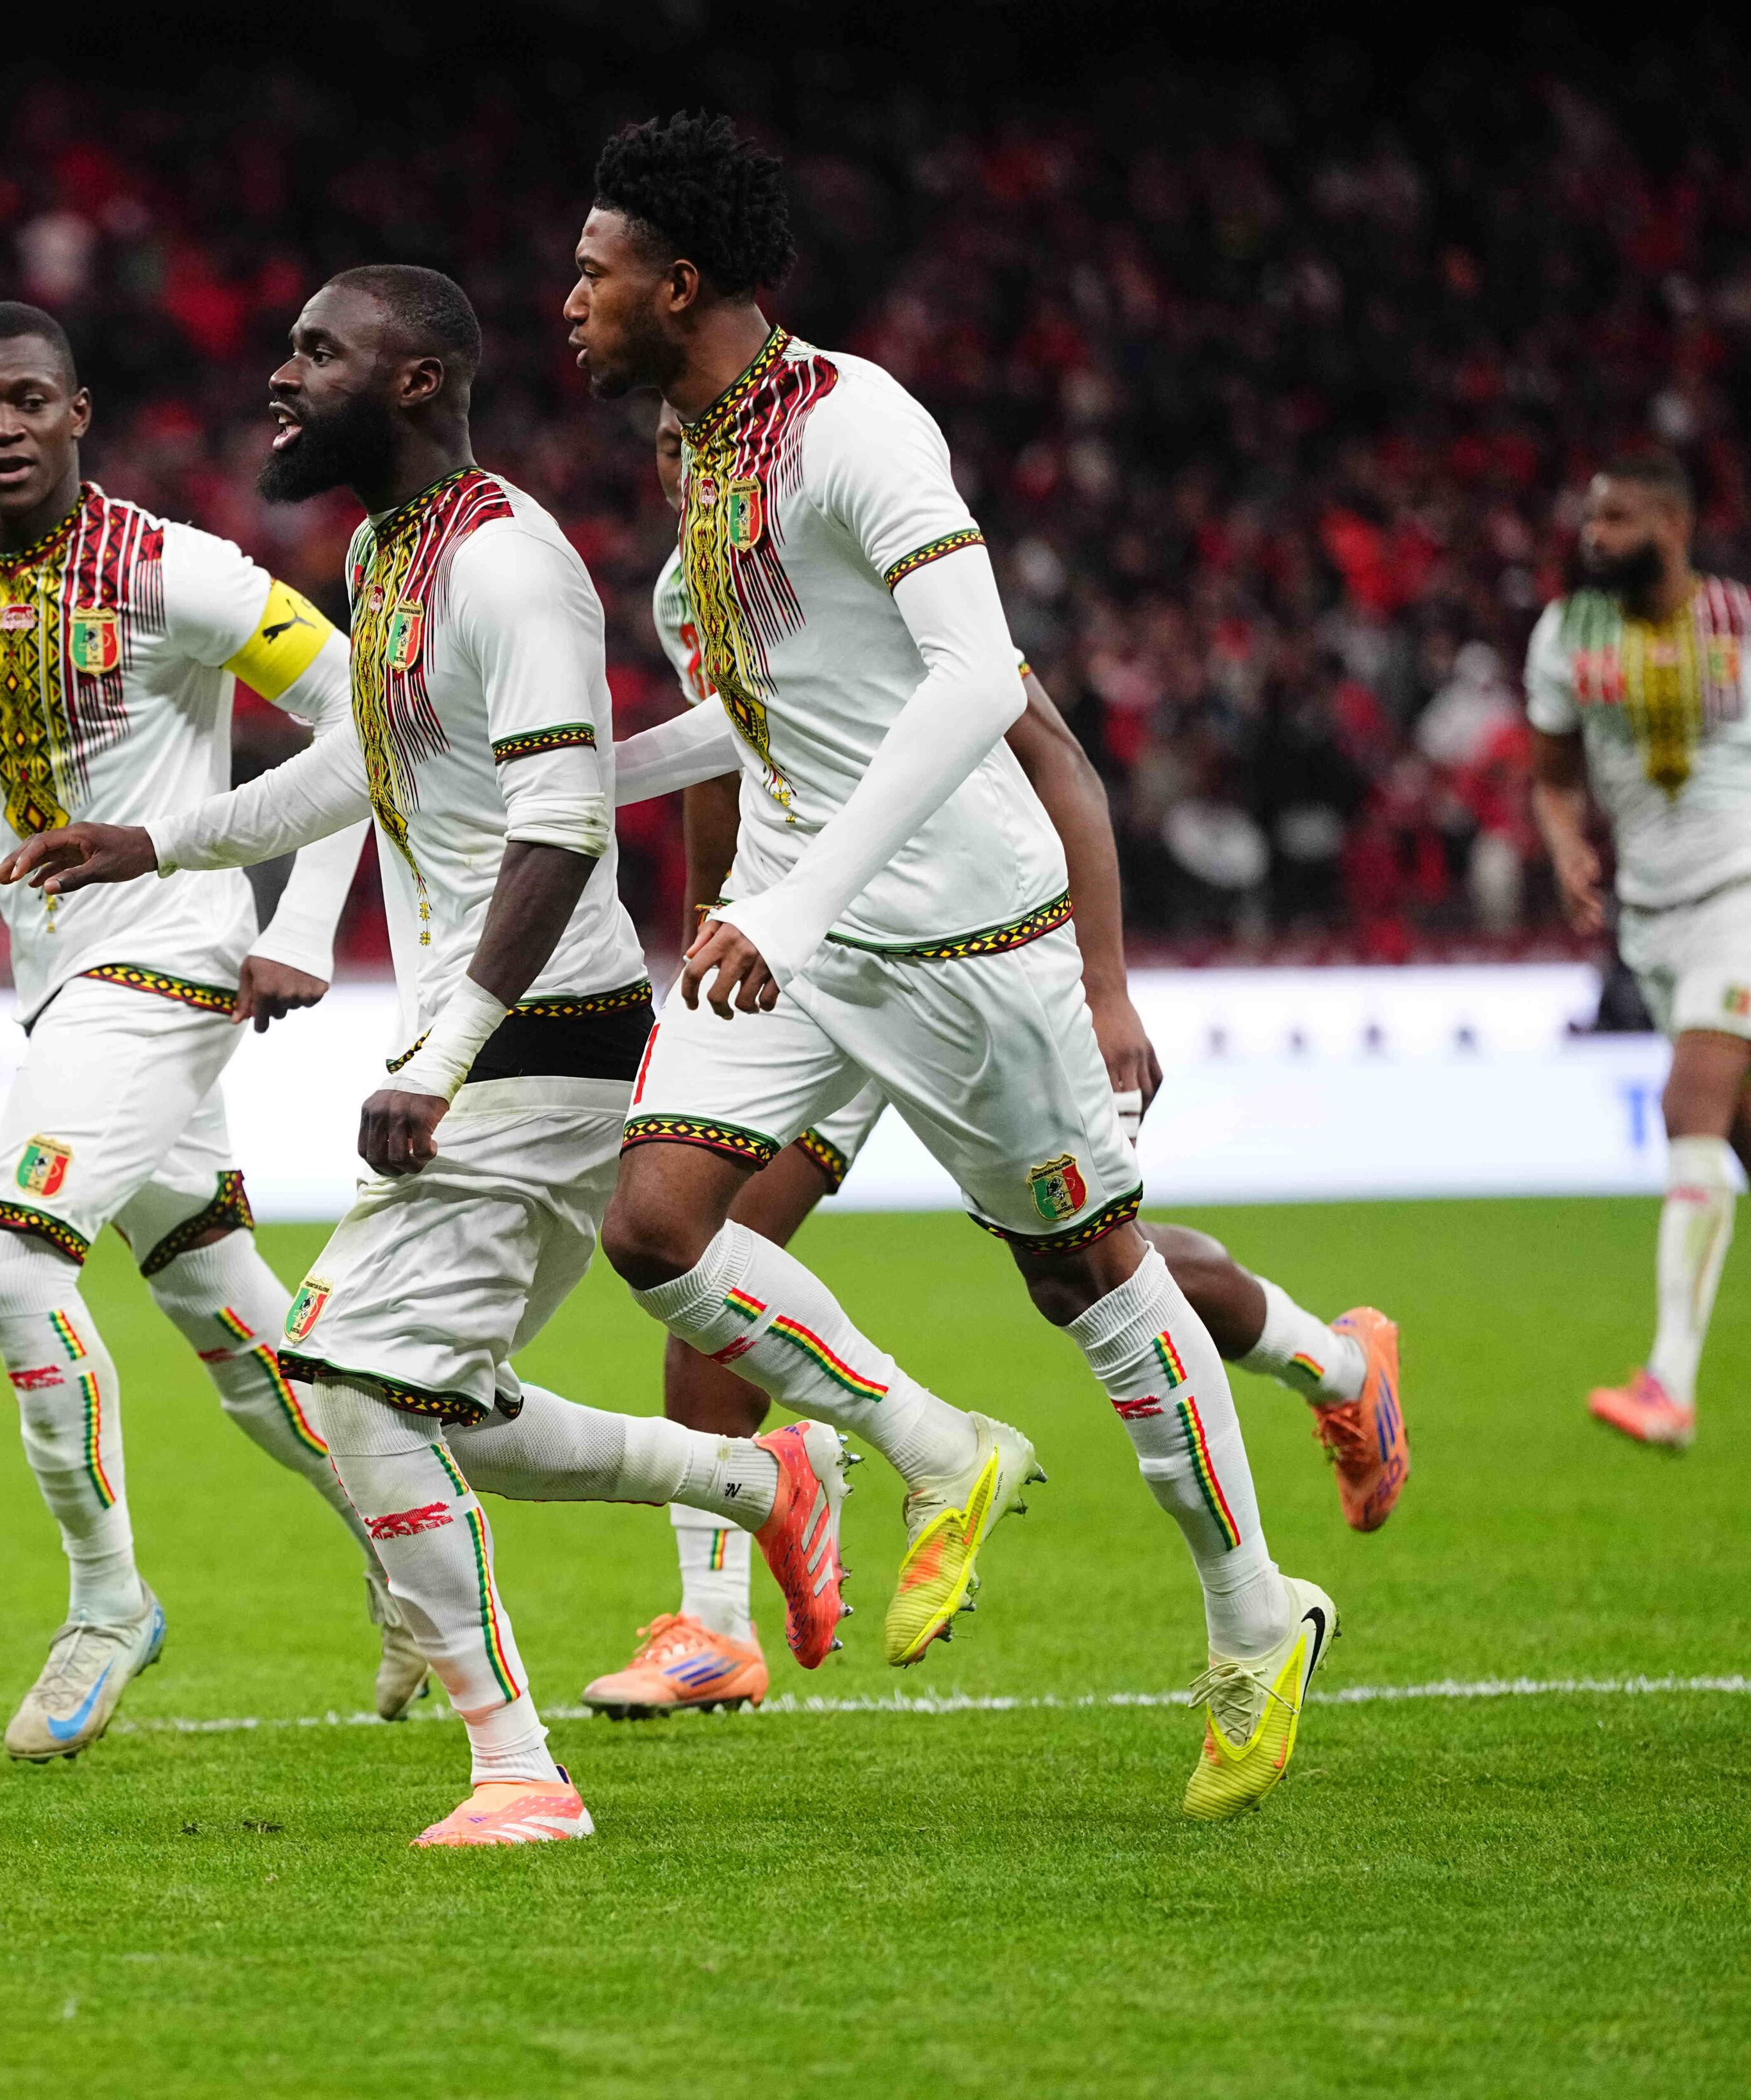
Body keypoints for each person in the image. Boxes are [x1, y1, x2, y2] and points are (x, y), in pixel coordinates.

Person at [0, 267, 853, 1849]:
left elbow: (560, 827)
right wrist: (158, 839)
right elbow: (355, 774)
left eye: (317, 349)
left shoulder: (509, 564)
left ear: (414, 381)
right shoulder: (390, 553)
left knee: (351, 1386)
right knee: (430, 1398)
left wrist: (440, 1056)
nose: (279, 373)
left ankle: (518, 1764)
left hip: (534, 1034)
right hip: (502, 1036)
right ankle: (760, 1484)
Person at [566, 112, 1333, 1822]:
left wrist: (806, 899)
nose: (573, 298)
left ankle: (1255, 1614)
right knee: (654, 1228)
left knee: (1092, 1282)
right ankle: (934, 1446)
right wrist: (573, 782)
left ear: (679, 284)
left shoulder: (858, 427)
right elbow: (770, 708)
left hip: (959, 934)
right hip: (800, 927)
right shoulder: (701, 446)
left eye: (595, 270)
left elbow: (984, 681)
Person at [584, 403, 1408, 1719]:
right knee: (697, 1231)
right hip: (807, 954)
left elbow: (1054, 757)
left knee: (1083, 1263)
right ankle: (713, 1618)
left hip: (969, 949)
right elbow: (734, 764)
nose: (687, 469)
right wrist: (703, 923)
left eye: (704, 446)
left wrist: (1105, 985)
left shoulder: (857, 556)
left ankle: (1337, 1365)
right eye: (670, 452)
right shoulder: (696, 587)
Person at [0, 302, 427, 1761]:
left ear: (79, 413)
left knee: (9, 1266)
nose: (0, 426)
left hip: (169, 952)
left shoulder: (173, 570)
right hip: (61, 976)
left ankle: (106, 1598)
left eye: (26, 401)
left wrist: (295, 929)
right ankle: (415, 1552)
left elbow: (361, 716)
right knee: (232, 1321)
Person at [1529, 450, 1751, 1451]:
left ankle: (1667, 1382)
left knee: (1687, 1103)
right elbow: (1554, 774)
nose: (1593, 536)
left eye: (1614, 519)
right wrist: (1569, 841)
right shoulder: (1565, 635)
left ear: (1672, 524)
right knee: (1735, 1134)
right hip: (1651, 917)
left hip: (1742, 888)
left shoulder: (1741, 626)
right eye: (1590, 518)